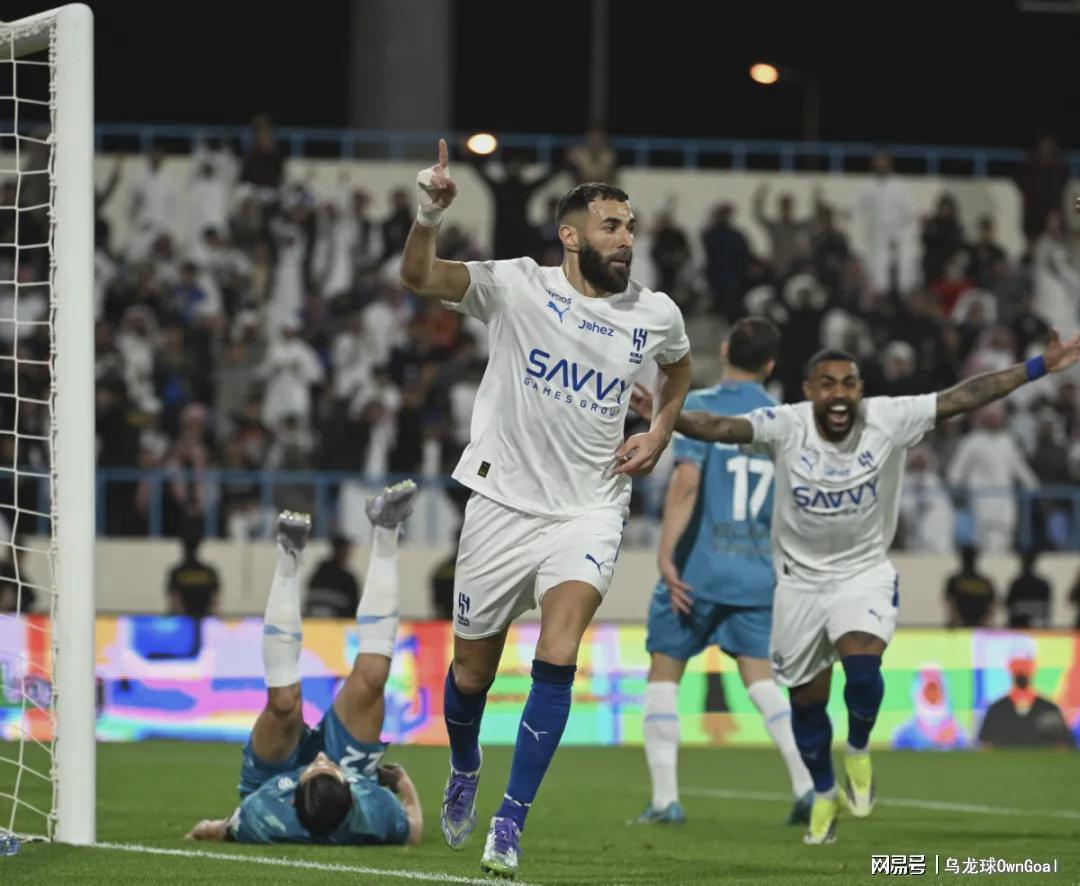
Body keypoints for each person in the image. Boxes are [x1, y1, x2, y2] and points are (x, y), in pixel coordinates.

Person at [631, 328, 1080, 845]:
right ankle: (823, 793)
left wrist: (1038, 367)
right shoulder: (786, 424)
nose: (839, 393)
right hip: (798, 585)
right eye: (827, 384)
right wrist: (665, 416)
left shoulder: (889, 418)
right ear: (809, 391)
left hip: (863, 575)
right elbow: (717, 427)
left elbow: (966, 395)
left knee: (863, 670)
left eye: (849, 383)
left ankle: (860, 748)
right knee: (807, 704)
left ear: (861, 389)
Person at [400, 140, 692, 877]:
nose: (626, 238)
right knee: (472, 673)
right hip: (502, 504)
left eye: (630, 227)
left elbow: (679, 366)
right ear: (570, 234)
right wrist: (428, 215)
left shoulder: (654, 312)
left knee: (558, 653)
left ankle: (510, 820)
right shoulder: (517, 286)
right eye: (611, 226)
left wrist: (659, 430)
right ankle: (465, 763)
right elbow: (419, 277)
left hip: (589, 508)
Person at [636, 317, 814, 828]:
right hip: (756, 573)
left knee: (664, 674)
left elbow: (687, 482)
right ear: (771, 365)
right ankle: (807, 785)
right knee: (761, 681)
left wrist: (666, 555)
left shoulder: (700, 404)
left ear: (725, 348)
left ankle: (666, 800)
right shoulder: (786, 420)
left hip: (698, 569)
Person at [185, 481, 424, 845]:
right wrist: (404, 783)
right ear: (352, 793)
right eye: (329, 769)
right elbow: (414, 829)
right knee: (374, 676)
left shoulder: (263, 815)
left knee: (284, 703)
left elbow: (216, 829)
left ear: (293, 794)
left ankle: (288, 557)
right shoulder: (374, 814)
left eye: (314, 769)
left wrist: (208, 830)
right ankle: (387, 528)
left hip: (271, 775)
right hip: (349, 766)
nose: (321, 759)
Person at [978, 642, 1074, 748]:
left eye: (1025, 663)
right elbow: (985, 745)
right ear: (1009, 666)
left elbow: (1063, 745)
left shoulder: (1049, 709)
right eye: (1017, 663)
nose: (1021, 669)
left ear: (1033, 666)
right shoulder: (996, 710)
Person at [303, 535, 362, 619]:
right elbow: (353, 614)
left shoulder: (316, 575)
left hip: (312, 625)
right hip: (337, 626)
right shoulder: (348, 580)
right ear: (343, 552)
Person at [166, 533, 221, 618]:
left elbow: (175, 601)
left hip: (185, 618)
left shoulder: (177, 572)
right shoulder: (209, 572)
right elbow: (214, 601)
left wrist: (183, 619)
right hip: (203, 617)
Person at [943, 546, 996, 628]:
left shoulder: (955, 580)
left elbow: (991, 605)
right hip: (964, 626)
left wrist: (982, 623)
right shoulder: (985, 582)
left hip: (969, 626)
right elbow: (950, 603)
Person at [1004, 551, 1052, 629]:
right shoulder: (1042, 584)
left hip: (1021, 626)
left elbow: (1008, 603)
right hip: (1033, 626)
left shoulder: (1017, 584)